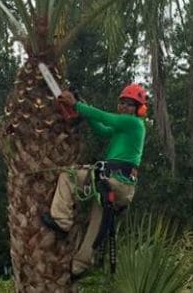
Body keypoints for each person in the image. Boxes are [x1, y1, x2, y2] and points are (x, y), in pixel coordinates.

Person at [41, 83, 148, 278]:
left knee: (68, 176)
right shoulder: (121, 129)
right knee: (97, 221)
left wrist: (77, 105)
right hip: (112, 185)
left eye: (130, 104)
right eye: (122, 103)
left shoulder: (134, 124)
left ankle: (62, 220)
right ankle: (79, 266)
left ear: (139, 109)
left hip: (117, 183)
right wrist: (82, 106)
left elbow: (104, 117)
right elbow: (101, 128)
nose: (125, 107)